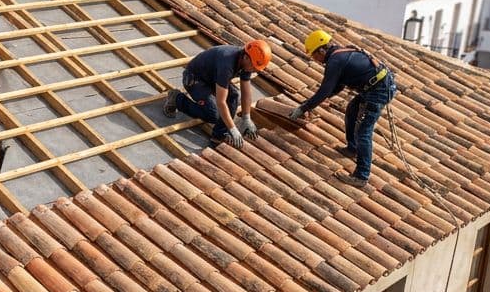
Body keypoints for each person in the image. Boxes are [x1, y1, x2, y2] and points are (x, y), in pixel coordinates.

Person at [289, 29, 396, 187]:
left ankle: (361, 176)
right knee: (352, 110)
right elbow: (338, 86)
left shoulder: (335, 61)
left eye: (314, 55)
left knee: (363, 132)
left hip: (378, 91)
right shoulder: (340, 55)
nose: (315, 59)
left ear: (321, 50)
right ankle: (352, 148)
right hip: (376, 86)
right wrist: (314, 103)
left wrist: (304, 108)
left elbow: (325, 90)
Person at [163, 40, 272, 147]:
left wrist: (246, 118)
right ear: (246, 58)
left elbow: (246, 92)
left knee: (234, 96)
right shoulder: (227, 63)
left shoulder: (246, 61)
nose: (254, 70)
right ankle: (177, 99)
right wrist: (233, 129)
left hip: (212, 78)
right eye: (254, 67)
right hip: (195, 79)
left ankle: (219, 135)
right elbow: (221, 102)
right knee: (213, 114)